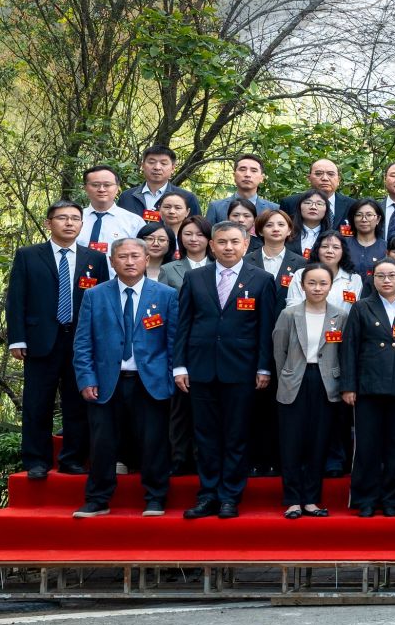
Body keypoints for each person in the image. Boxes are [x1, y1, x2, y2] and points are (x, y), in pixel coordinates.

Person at [169, 219, 276, 519]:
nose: (228, 247)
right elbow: (183, 324)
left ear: (246, 244)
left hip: (242, 369)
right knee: (205, 435)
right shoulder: (195, 277)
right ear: (212, 245)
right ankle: (207, 495)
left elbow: (266, 328)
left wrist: (264, 367)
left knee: (236, 434)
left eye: (234, 242)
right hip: (200, 368)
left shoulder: (261, 279)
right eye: (222, 242)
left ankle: (230, 495)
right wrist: (179, 365)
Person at [70, 236, 177, 516]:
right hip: (107, 381)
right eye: (123, 257)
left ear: (146, 260)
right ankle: (97, 499)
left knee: (154, 441)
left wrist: (170, 378)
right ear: (112, 261)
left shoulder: (166, 295)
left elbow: (174, 342)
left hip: (150, 381)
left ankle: (155, 497)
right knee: (102, 443)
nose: (129, 262)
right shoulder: (95, 295)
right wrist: (86, 378)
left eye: (135, 256)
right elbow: (83, 342)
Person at [9, 200, 110, 481]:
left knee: (77, 402)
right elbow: (16, 299)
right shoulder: (29, 255)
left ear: (82, 224)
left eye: (75, 218)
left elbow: (103, 302)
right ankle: (36, 460)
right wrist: (17, 339)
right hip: (40, 340)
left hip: (81, 342)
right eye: (62, 218)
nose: (69, 223)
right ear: (48, 222)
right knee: (37, 403)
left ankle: (73, 459)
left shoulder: (95, 259)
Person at [342, 256, 395, 517]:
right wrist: (348, 386)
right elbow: (349, 347)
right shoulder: (361, 307)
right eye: (381, 276)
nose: (386, 280)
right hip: (368, 384)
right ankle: (365, 498)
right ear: (373, 279)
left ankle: (392, 499)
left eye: (392, 276)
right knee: (366, 445)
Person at [271, 262, 347, 518]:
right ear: (302, 285)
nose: (317, 288)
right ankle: (293, 499)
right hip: (294, 380)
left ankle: (312, 500)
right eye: (311, 283)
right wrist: (287, 375)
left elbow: (343, 353)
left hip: (326, 383)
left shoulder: (340, 316)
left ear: (330, 286)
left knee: (319, 441)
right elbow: (279, 351)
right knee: (291, 442)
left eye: (323, 283)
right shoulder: (289, 314)